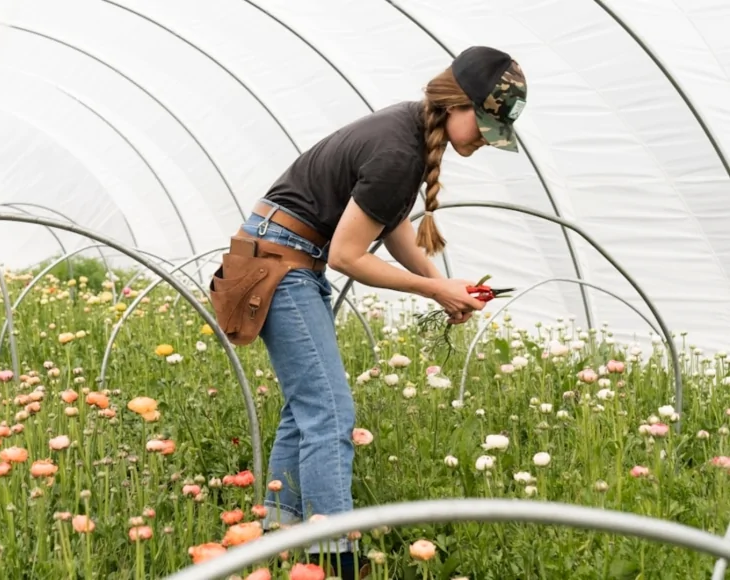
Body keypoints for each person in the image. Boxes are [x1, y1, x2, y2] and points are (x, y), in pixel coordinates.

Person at [213, 45, 527, 579]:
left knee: (306, 407)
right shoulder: (398, 151)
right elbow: (347, 256)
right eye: (485, 124)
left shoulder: (410, 130)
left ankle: (282, 534)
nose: (483, 139)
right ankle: (333, 557)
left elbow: (390, 224)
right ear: (459, 105)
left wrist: (442, 282)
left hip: (284, 260)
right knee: (330, 413)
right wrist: (434, 293)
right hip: (277, 267)